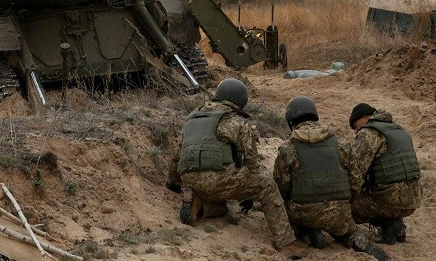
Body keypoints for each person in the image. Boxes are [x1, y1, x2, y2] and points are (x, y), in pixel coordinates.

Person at [175, 78, 308, 259]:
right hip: (220, 180)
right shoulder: (237, 121)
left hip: (189, 180)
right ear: (240, 102)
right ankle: (286, 244)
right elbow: (252, 160)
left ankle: (201, 204)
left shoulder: (191, 119)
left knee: (222, 206)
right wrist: (248, 193)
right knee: (267, 187)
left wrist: (174, 182)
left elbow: (177, 156)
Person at [273, 96, 388, 260]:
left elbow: (281, 187)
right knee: (349, 231)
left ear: (291, 121)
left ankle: (309, 232)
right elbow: (356, 179)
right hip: (338, 213)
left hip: (302, 212)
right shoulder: (340, 143)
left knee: (286, 215)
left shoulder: (287, 148)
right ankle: (357, 240)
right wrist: (345, 202)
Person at [349, 103, 422, 244]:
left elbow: (355, 172)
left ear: (364, 117)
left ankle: (390, 224)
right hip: (414, 198)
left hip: (390, 200)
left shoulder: (369, 133)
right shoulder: (399, 129)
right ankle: (397, 227)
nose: (355, 130)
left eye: (355, 126)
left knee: (346, 206)